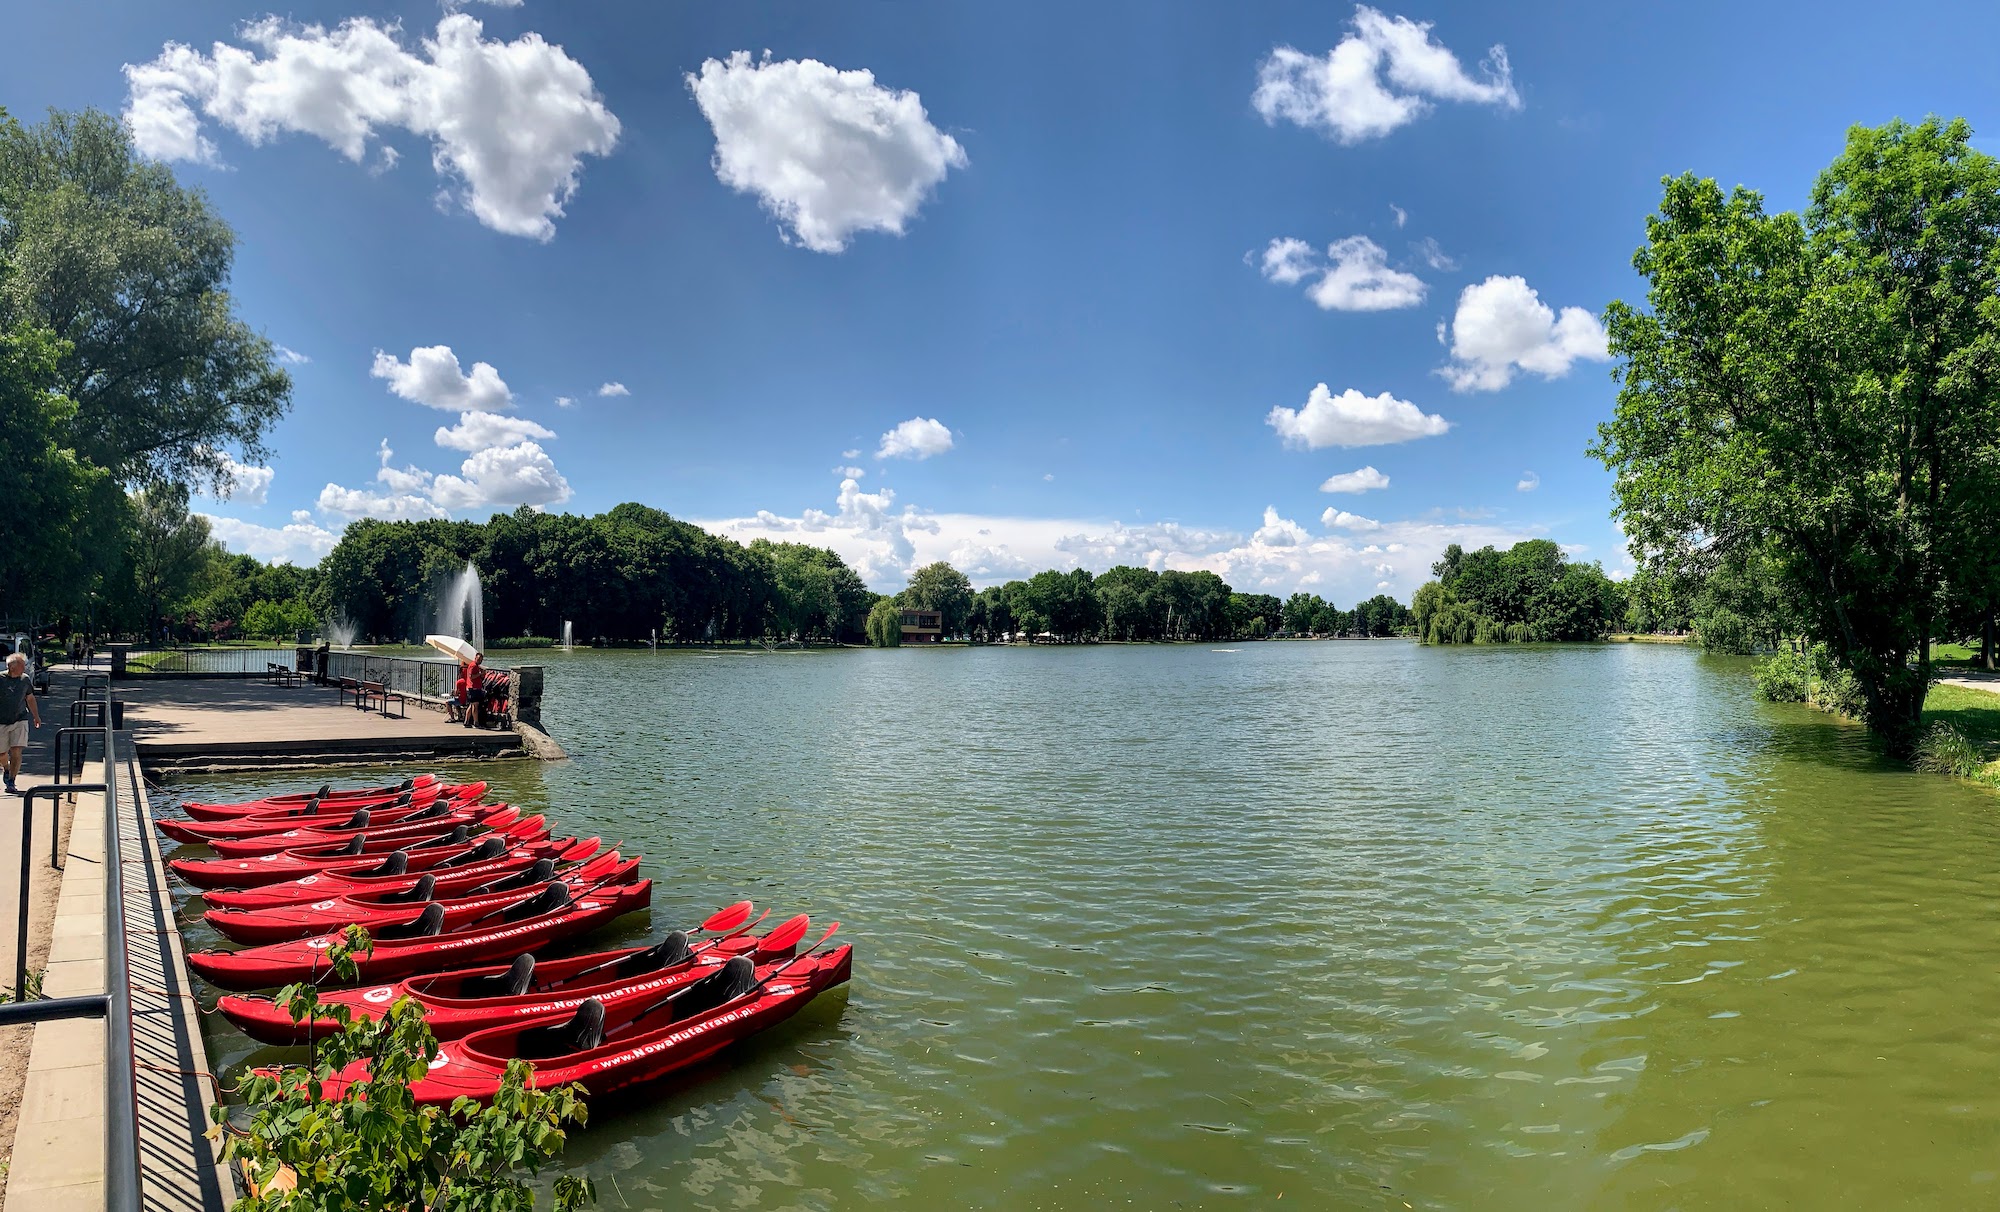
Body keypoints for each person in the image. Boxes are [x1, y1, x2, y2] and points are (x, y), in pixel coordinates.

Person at [1, 653, 42, 795]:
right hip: (1, 721)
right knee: (1, 753)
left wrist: (36, 716)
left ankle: (11, 780)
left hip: (20, 719)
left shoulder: (25, 680)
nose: (24, 668)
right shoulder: (1, 679)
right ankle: (6, 768)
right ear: (12, 667)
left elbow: (30, 698)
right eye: (22, 665)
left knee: (16, 750)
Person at [460, 653, 486, 728]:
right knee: (475, 705)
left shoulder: (475, 666)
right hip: (473, 688)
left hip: (473, 688)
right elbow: (471, 676)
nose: (480, 661)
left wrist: (481, 673)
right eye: (479, 659)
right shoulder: (473, 665)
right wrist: (480, 673)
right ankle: (476, 723)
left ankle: (466, 722)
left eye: (481, 660)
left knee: (471, 705)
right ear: (475, 658)